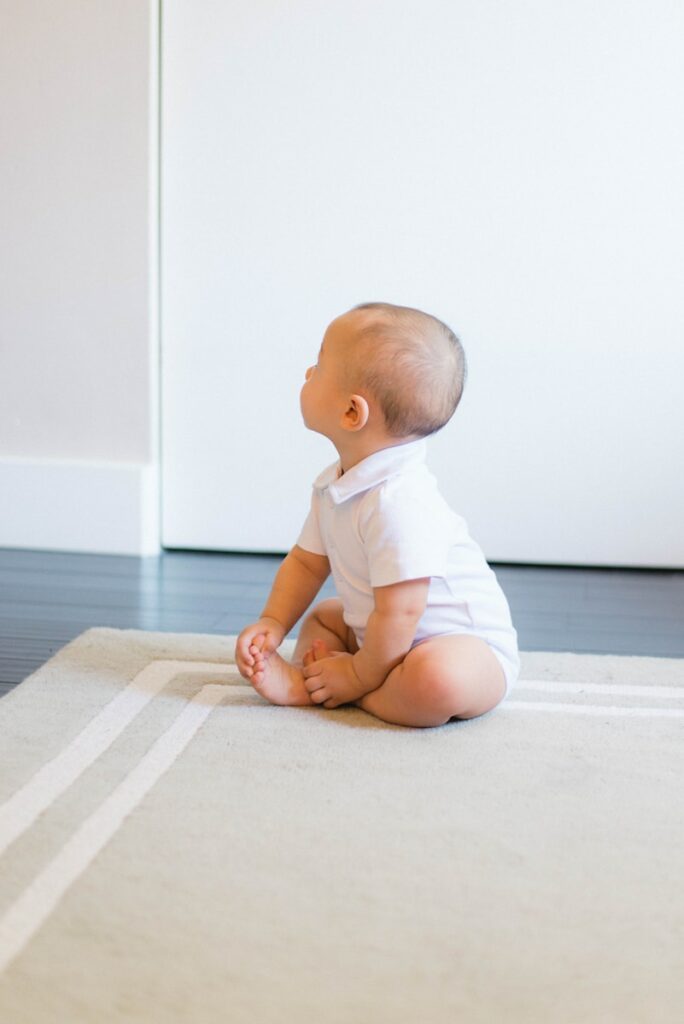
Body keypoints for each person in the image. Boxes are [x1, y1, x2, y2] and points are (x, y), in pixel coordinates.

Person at [235, 301, 520, 728]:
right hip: (381, 636)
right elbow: (306, 563)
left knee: (435, 680)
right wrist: (273, 622)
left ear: (352, 412)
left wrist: (356, 675)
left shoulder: (398, 503)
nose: (307, 373)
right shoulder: (336, 485)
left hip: (464, 649)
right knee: (323, 617)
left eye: (319, 365)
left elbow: (402, 613)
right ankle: (325, 679)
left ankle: (351, 694)